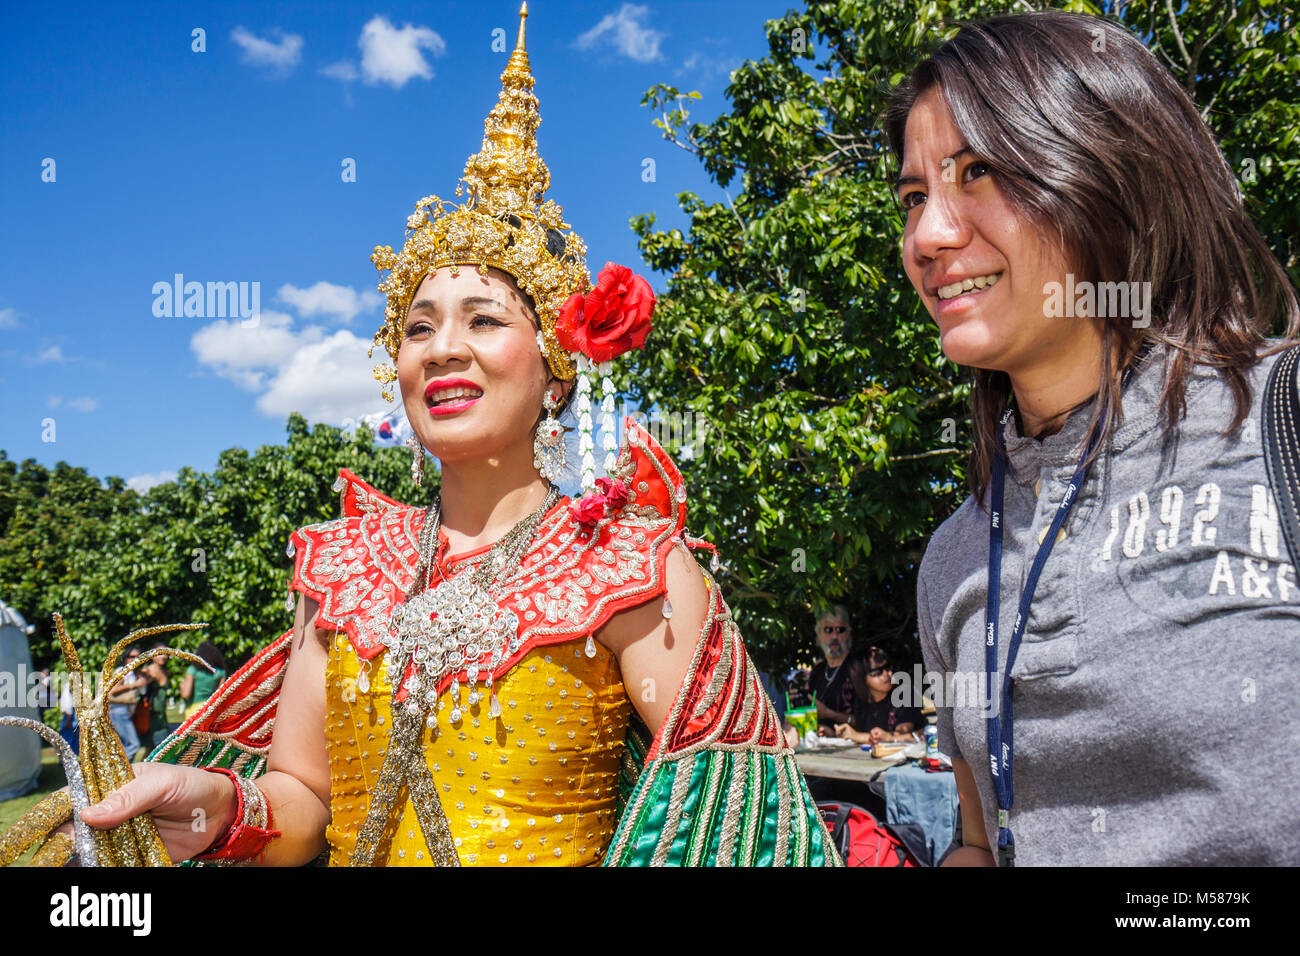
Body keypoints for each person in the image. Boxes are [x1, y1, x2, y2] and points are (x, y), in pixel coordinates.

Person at [72, 6, 838, 868]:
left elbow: (729, 829)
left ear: (555, 372)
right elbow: (303, 802)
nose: (443, 348)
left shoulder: (629, 564)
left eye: (483, 319)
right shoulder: (345, 566)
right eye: (418, 326)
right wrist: (220, 806)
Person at [889, 12, 1300, 865]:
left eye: (977, 172)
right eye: (914, 195)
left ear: (1104, 169)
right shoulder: (954, 557)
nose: (929, 237)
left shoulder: (1280, 424)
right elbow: (980, 839)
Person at [834, 646, 923, 744]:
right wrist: (837, 733)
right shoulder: (859, 701)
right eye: (877, 672)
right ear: (862, 678)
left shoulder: (904, 694)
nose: (886, 674)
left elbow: (903, 734)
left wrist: (858, 736)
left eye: (887, 667)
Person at [808, 604, 861, 733]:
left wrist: (829, 714)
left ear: (848, 633)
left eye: (840, 629)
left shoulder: (859, 669)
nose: (834, 636)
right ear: (818, 634)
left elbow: (868, 720)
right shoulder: (817, 671)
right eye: (828, 630)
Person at [105, 647, 144, 761]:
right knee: (134, 745)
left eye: (138, 657)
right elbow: (112, 691)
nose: (134, 659)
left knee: (123, 745)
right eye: (131, 657)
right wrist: (134, 685)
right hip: (118, 711)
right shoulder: (122, 671)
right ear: (125, 658)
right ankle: (120, 768)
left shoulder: (132, 673)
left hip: (123, 712)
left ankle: (123, 774)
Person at [179, 641, 226, 721]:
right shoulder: (221, 673)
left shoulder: (193, 670)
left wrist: (182, 686)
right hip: (211, 710)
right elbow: (220, 695)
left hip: (194, 712)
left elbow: (186, 694)